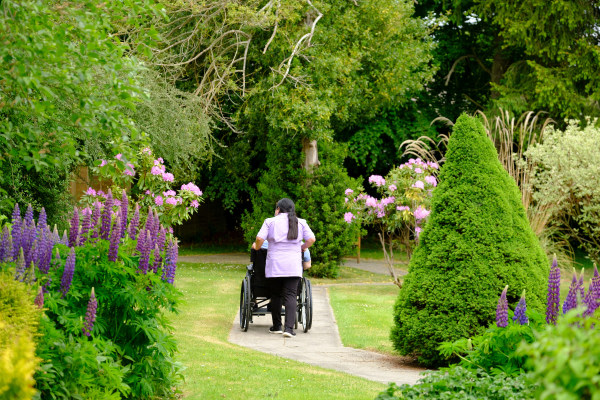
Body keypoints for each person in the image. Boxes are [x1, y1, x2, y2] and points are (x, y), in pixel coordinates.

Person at [251, 198, 315, 337]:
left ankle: (277, 326)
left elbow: (260, 238)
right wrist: (302, 247)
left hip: (275, 264)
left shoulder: (270, 221)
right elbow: (311, 239)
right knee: (291, 295)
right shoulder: (301, 222)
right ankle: (289, 329)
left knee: (276, 295)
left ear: (278, 209)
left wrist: (257, 247)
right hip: (293, 265)